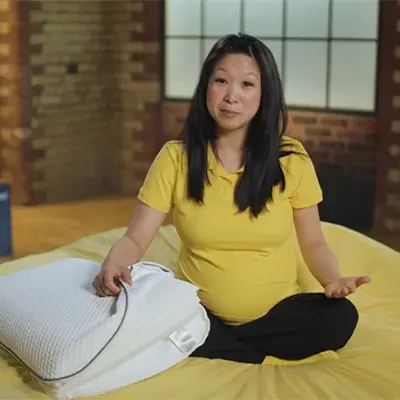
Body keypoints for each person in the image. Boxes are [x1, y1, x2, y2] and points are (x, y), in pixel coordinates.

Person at [93, 33, 371, 365]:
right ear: (206, 87)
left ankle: (217, 348)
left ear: (264, 94)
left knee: (340, 317)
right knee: (141, 310)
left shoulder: (291, 158)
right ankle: (227, 346)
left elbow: (313, 242)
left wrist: (333, 280)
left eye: (247, 85)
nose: (231, 97)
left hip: (276, 314)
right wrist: (114, 262)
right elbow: (137, 237)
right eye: (221, 81)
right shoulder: (175, 158)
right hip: (198, 311)